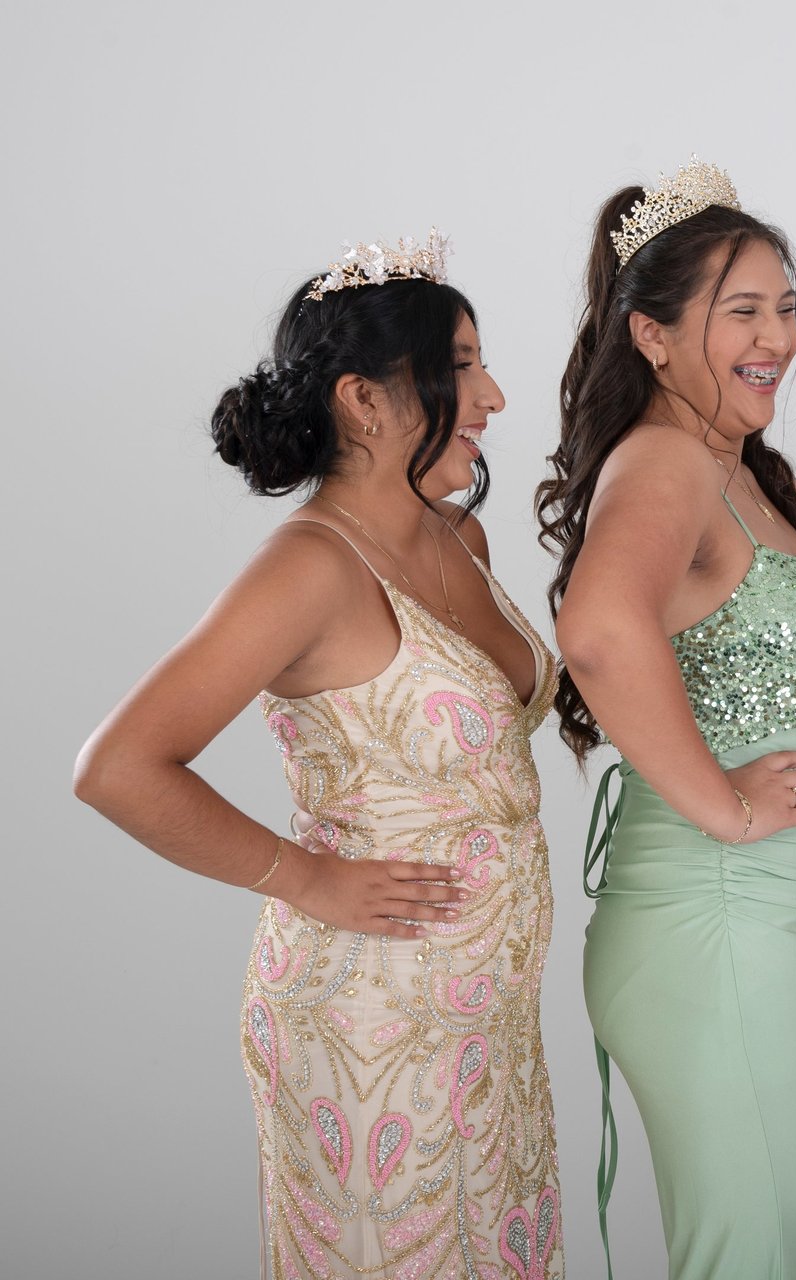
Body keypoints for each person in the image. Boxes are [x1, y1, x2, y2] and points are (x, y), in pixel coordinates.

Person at [74, 231, 566, 1278]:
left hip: (488, 1017)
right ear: (365, 398)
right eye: (464, 366)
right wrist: (305, 875)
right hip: (368, 1014)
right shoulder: (307, 568)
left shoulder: (455, 537)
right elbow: (118, 764)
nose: (495, 397)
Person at [536, 159, 796, 1278]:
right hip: (726, 926)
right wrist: (724, 808)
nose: (778, 335)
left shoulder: (738, 466)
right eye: (742, 311)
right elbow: (598, 630)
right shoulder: (667, 459)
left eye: (785, 305)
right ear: (653, 336)